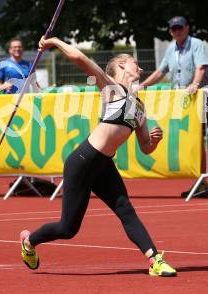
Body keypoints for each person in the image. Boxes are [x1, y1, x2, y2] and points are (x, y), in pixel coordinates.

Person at [20, 35, 177, 277]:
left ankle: (155, 260)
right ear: (122, 65)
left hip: (104, 165)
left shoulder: (139, 107)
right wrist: (54, 41)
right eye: (136, 63)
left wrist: (154, 141)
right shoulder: (110, 87)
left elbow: (145, 147)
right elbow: (79, 57)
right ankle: (29, 242)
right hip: (82, 162)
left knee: (125, 209)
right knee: (68, 228)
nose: (141, 67)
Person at [139, 16, 208, 198]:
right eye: (173, 29)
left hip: (199, 97)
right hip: (181, 100)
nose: (176, 31)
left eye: (179, 28)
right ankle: (197, 181)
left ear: (187, 28)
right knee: (184, 139)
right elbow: (160, 71)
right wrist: (143, 85)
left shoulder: (196, 44)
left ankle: (201, 183)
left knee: (197, 139)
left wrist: (195, 85)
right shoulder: (171, 49)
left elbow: (201, 68)